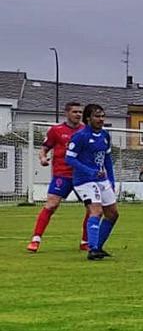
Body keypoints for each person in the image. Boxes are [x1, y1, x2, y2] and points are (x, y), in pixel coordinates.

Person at [26, 101, 89, 253]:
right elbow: (44, 149)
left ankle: (85, 241)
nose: (78, 115)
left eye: (80, 112)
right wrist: (42, 158)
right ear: (67, 113)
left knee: (93, 208)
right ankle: (35, 239)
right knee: (51, 205)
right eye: (75, 112)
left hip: (82, 176)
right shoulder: (56, 130)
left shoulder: (86, 130)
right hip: (62, 174)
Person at [66, 104, 119, 261]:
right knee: (96, 211)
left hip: (101, 180)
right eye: (97, 116)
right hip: (84, 181)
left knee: (113, 214)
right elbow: (69, 158)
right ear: (88, 118)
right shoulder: (80, 136)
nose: (101, 119)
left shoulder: (105, 135)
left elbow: (107, 159)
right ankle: (92, 248)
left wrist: (111, 179)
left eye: (102, 116)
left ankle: (98, 247)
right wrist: (89, 171)